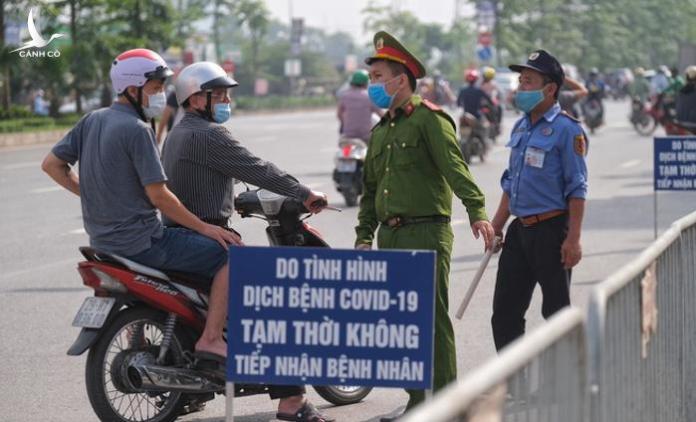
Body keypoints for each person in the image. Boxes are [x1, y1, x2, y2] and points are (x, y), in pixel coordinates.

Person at [40, 48, 240, 361]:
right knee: (232, 254)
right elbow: (159, 196)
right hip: (145, 243)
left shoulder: (92, 120)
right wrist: (206, 228)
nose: (161, 97)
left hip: (103, 242)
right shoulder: (137, 130)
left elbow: (52, 164)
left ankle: (149, 330)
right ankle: (212, 338)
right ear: (133, 89)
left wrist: (93, 193)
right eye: (156, 89)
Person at [161, 61, 333, 422]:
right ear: (195, 100)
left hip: (181, 231)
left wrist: (232, 201)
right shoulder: (209, 135)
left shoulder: (178, 132)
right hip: (205, 235)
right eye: (218, 95)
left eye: (226, 94)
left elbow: (197, 179)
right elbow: (256, 168)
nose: (225, 101)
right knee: (272, 302)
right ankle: (290, 402)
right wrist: (304, 193)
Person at [354, 31, 495, 421]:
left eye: (379, 76)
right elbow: (370, 191)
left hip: (426, 231)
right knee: (401, 322)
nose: (374, 85)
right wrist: (364, 236)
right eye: (372, 78)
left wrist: (477, 210)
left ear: (402, 79)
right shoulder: (381, 130)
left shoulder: (430, 121)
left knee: (431, 320)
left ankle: (447, 403)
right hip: (391, 234)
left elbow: (456, 168)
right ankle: (419, 402)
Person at [490, 49, 588, 351]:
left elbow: (577, 188)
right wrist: (496, 226)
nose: (521, 88)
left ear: (550, 89)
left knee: (556, 313)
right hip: (520, 231)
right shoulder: (521, 126)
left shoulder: (567, 130)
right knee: (504, 313)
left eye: (528, 81)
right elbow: (512, 182)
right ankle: (514, 387)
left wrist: (573, 239)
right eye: (520, 81)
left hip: (552, 230)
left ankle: (564, 385)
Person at [337, 69, 383, 143]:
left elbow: (339, 114)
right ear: (366, 83)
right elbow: (381, 115)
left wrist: (344, 124)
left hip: (348, 135)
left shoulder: (344, 96)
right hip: (365, 136)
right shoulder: (369, 97)